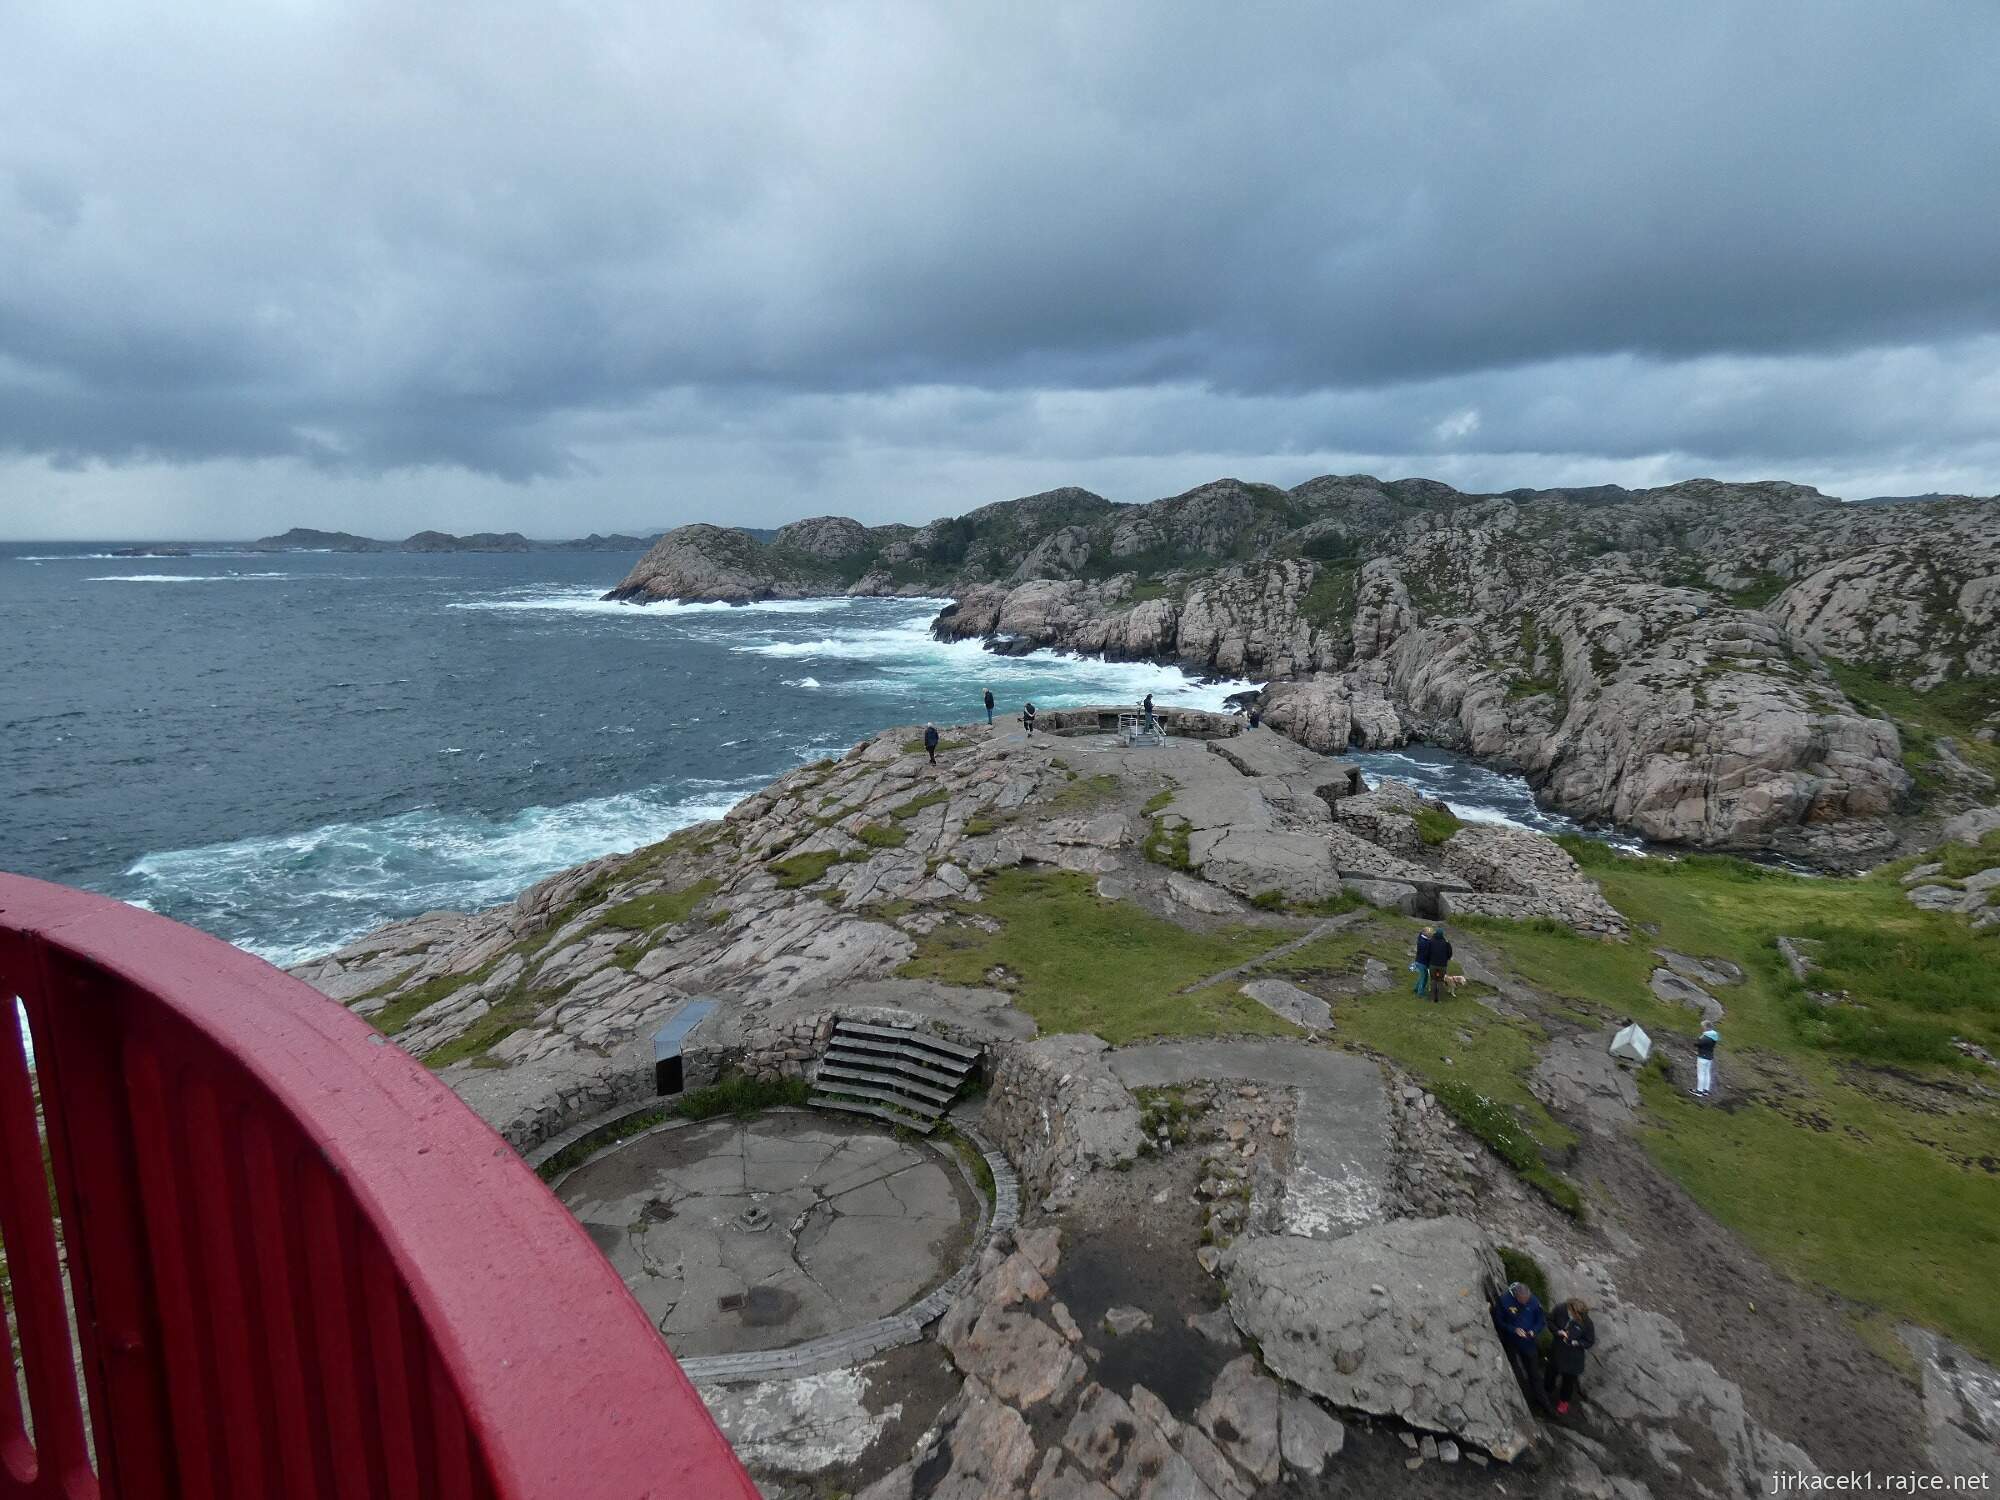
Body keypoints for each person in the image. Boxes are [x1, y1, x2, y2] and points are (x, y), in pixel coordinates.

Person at [1492, 1282, 1548, 1407]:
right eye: (1522, 1300)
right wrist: (1514, 1329)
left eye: (1527, 1299)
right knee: (1515, 1369)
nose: (1525, 1302)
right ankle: (1523, 1398)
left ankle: (1543, 1402)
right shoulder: (1504, 1301)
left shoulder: (1533, 1300)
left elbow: (1541, 1320)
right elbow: (1499, 1321)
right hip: (1511, 1341)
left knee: (1534, 1372)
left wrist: (1534, 1330)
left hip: (1529, 1342)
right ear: (1516, 1296)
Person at [1544, 1297, 1596, 1415]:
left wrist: (1576, 1342)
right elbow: (1549, 1320)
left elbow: (1590, 1341)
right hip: (1557, 1350)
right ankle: (1547, 1390)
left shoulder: (1586, 1322)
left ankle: (1564, 1401)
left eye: (1580, 1314)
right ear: (1570, 1309)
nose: (1579, 1316)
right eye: (1576, 1313)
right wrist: (1557, 1331)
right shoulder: (1560, 1309)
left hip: (1573, 1357)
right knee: (1551, 1372)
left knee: (1568, 1381)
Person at [1426, 924, 1452, 1002]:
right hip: (1442, 965)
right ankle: (1440, 999)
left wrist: (1429, 960)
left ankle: (1432, 998)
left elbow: (1427, 952)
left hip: (1433, 964)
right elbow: (1450, 953)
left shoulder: (1431, 942)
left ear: (1435, 934)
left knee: (1433, 980)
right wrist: (1446, 959)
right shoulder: (1446, 943)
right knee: (1440, 981)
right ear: (1442, 935)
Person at [1695, 1027, 1720, 1097]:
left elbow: (1697, 1044)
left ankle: (1699, 1091)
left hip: (1702, 1057)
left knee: (1701, 1074)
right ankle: (1706, 1090)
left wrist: (1700, 1037)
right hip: (1710, 1057)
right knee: (1707, 1073)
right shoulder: (1715, 1037)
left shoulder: (1705, 1038)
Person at [1412, 926, 1435, 996]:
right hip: (1423, 962)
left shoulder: (1421, 939)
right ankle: (1420, 993)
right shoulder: (1425, 942)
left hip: (1419, 961)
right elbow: (1427, 953)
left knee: (1422, 976)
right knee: (1424, 978)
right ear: (1425, 933)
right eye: (1429, 933)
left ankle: (1416, 988)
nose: (1430, 934)